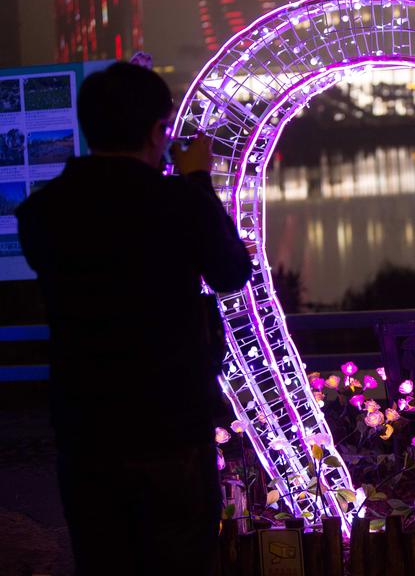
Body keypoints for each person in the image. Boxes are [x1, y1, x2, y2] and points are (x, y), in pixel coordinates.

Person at [15, 62, 252, 576]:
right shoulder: (179, 202)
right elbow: (232, 271)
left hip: (87, 429)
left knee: (104, 561)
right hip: (171, 428)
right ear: (155, 131)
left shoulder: (41, 212)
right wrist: (197, 182)